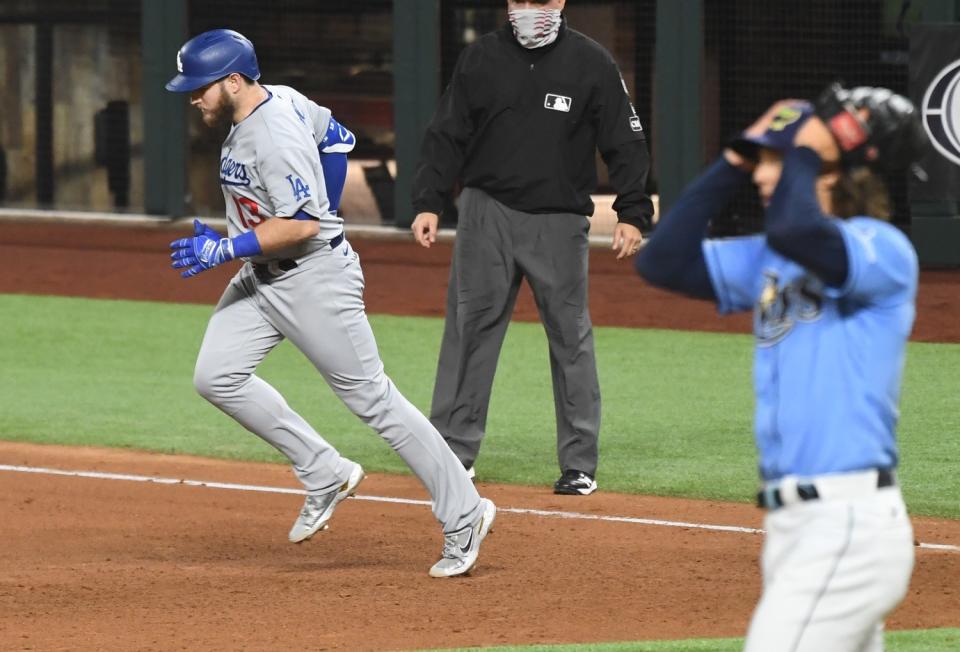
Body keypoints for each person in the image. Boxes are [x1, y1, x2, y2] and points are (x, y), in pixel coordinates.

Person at [164, 29, 495, 578]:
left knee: (375, 402)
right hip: (261, 276)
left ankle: (464, 512)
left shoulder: (272, 136)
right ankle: (324, 470)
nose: (193, 99)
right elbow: (337, 138)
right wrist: (259, 227)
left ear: (233, 80)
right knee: (217, 376)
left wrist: (227, 245)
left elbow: (301, 224)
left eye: (199, 89)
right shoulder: (287, 98)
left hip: (312, 279)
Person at [635, 86, 928, 650]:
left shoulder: (884, 250)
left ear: (831, 175)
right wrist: (735, 160)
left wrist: (803, 151)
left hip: (847, 522)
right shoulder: (773, 257)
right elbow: (662, 259)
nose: (765, 177)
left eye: (777, 165)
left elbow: (800, 229)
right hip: (793, 530)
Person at [410, 0, 654, 495]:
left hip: (559, 221)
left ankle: (579, 463)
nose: (527, 10)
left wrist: (633, 211)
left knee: (571, 338)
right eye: (518, 0)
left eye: (538, 0)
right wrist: (429, 201)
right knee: (468, 332)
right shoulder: (480, 58)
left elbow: (625, 141)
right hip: (485, 213)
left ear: (560, 2)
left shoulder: (592, 61)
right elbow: (446, 134)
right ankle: (452, 452)